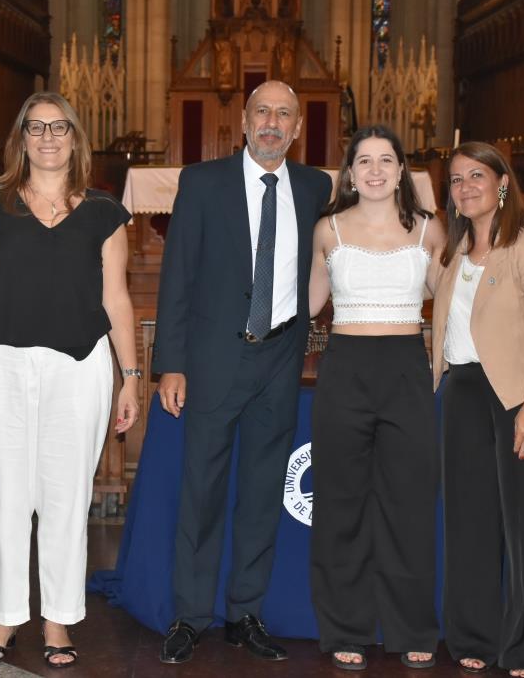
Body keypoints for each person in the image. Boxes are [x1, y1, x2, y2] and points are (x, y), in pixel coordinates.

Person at [0, 91, 139, 670]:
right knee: (10, 495)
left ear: (75, 139)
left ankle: (57, 619)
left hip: (79, 368)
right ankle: (5, 617)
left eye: (59, 128)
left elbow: (116, 298)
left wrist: (131, 377)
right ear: (21, 139)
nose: (49, 138)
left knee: (66, 497)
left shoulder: (105, 213)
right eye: (37, 128)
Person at [153, 80, 332, 664]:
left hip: (279, 360)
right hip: (211, 360)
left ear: (298, 127)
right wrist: (171, 364)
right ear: (244, 120)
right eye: (263, 112)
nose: (273, 123)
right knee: (202, 491)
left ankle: (245, 613)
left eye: (284, 114)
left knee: (260, 493)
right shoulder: (202, 183)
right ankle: (189, 616)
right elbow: (177, 276)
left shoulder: (314, 187)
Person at [307, 124, 445, 671]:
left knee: (408, 503)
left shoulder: (430, 231)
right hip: (345, 370)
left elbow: (458, 299)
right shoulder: (328, 230)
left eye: (385, 160)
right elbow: (304, 304)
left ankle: (413, 626)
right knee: (341, 504)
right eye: (364, 162)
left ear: (401, 170)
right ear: (349, 174)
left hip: (407, 370)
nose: (375, 171)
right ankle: (346, 626)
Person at [432, 142, 524, 678]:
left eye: (476, 176)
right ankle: (474, 635)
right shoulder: (458, 247)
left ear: (502, 183)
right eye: (456, 179)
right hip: (465, 391)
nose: (465, 187)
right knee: (470, 522)